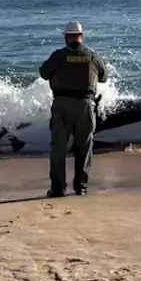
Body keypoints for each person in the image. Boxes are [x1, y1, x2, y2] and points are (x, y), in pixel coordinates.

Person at [39, 21, 108, 197]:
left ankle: (58, 188)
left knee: (58, 148)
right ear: (82, 37)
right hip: (86, 106)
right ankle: (81, 187)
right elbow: (104, 77)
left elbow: (44, 73)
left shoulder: (58, 56)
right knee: (84, 147)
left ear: (65, 38)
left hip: (62, 105)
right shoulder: (93, 56)